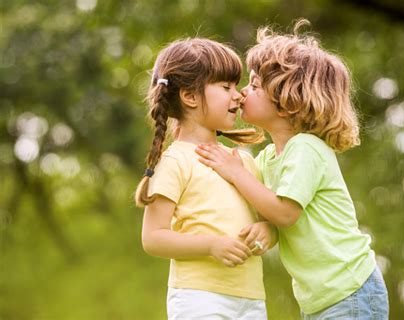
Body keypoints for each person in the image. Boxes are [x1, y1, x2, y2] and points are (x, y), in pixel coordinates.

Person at [196, 21, 389, 319]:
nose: (243, 92)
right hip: (320, 298)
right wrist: (265, 227)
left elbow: (285, 213)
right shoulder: (269, 158)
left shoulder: (306, 148)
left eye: (255, 85)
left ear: (286, 103)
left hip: (350, 290)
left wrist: (235, 172)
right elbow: (271, 213)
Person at [135, 38, 277, 320]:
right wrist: (211, 245)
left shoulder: (243, 162)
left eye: (236, 87)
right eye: (226, 87)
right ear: (189, 96)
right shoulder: (176, 161)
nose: (238, 96)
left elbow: (267, 220)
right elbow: (153, 238)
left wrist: (268, 233)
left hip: (251, 298)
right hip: (199, 297)